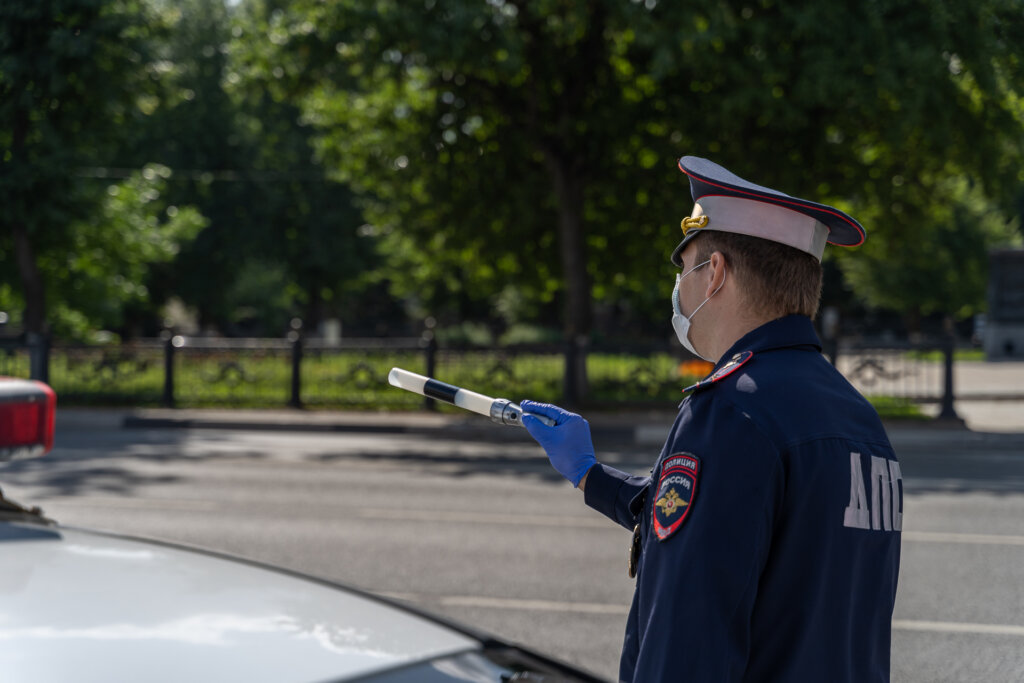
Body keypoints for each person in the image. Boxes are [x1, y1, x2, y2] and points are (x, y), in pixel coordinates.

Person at [520, 156, 902, 683]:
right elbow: (755, 538)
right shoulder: (857, 416)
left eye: (685, 268)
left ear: (716, 272)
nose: (679, 286)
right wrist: (589, 473)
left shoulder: (731, 410)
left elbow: (689, 636)